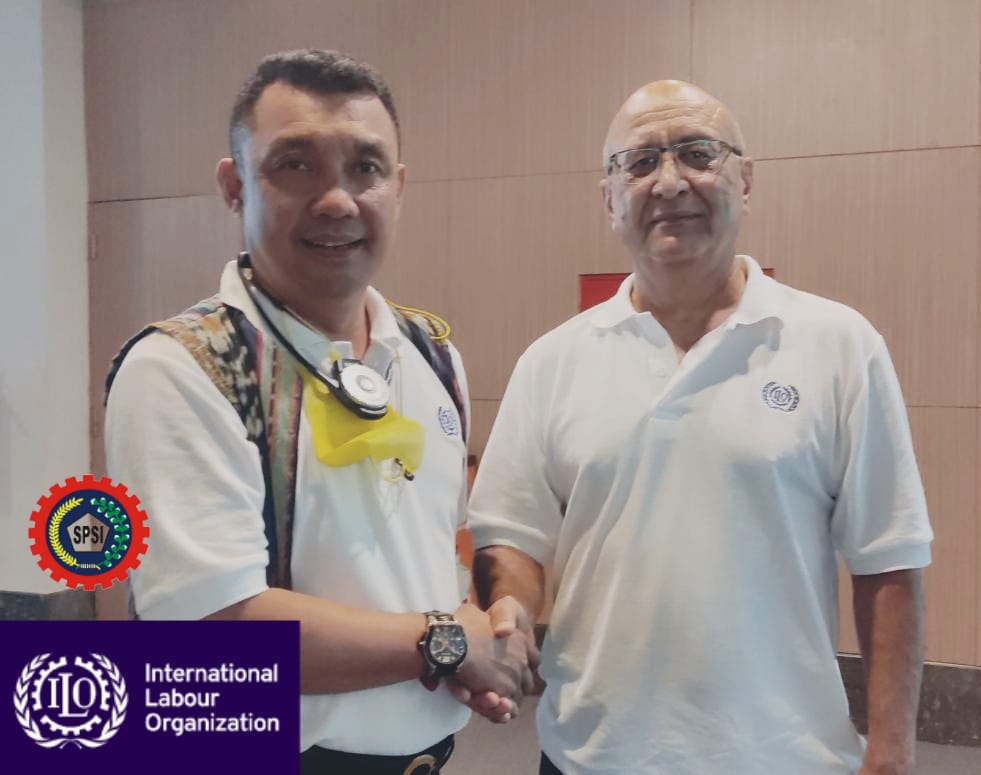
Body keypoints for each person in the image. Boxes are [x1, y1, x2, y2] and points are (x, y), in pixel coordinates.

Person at [469, 80, 932, 775]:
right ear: (608, 198)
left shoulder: (838, 343)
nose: (668, 181)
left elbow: (888, 559)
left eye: (696, 153)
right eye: (639, 162)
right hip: (591, 756)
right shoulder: (551, 361)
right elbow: (512, 533)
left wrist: (891, 752)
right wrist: (507, 610)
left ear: (745, 181)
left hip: (784, 759)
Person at [104, 49, 535, 774]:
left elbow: (428, 560)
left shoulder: (432, 356)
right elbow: (213, 632)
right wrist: (446, 641)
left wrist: (481, 633)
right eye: (295, 165)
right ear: (234, 186)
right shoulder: (183, 367)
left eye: (365, 167)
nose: (336, 199)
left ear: (398, 189)